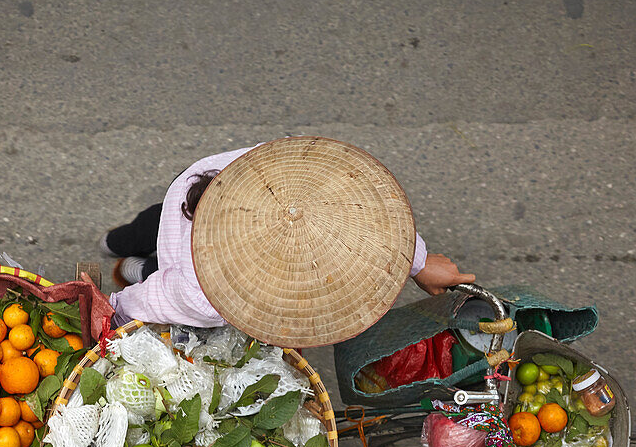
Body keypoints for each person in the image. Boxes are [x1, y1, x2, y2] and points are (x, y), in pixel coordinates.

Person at [102, 140, 475, 343]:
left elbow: (366, 221)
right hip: (183, 233)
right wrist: (114, 309)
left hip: (197, 182)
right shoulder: (206, 294)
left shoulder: (292, 168)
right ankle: (132, 262)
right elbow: (153, 300)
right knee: (158, 269)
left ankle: (118, 243)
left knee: (153, 221)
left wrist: (420, 262)